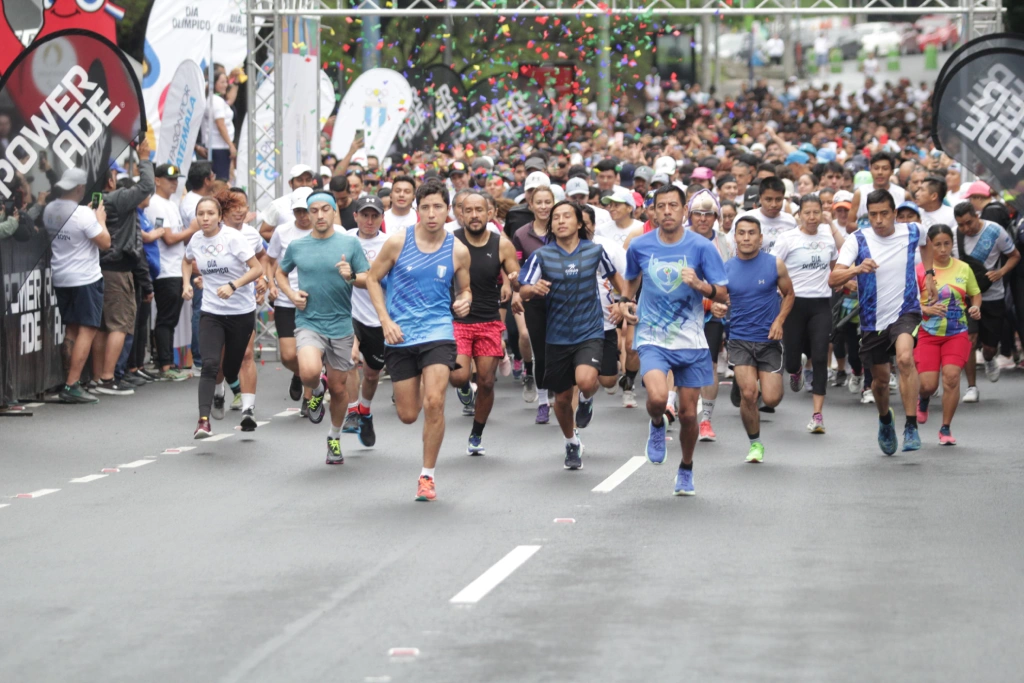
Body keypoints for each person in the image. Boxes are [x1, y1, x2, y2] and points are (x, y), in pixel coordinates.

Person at [617, 185, 730, 496]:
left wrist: (700, 285)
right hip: (653, 335)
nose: (666, 211)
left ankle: (686, 467)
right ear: (653, 211)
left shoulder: (703, 247)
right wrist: (626, 300)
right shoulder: (639, 246)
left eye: (673, 206)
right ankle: (656, 424)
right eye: (660, 206)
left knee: (689, 414)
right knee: (656, 399)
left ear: (684, 212)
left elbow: (722, 292)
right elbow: (631, 278)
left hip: (691, 340)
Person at [365, 180, 472, 502]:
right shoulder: (398, 242)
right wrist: (385, 320)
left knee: (435, 402)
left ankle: (427, 476)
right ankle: (423, 387)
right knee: (409, 414)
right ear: (417, 210)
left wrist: (465, 299)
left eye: (438, 206)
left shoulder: (457, 250)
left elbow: (465, 289)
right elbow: (371, 278)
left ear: (447, 210)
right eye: (425, 207)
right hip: (400, 336)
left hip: (438, 332)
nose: (431, 213)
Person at [520, 200, 631, 471]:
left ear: (579, 223)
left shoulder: (594, 251)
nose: (560, 221)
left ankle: (585, 398)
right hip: (556, 335)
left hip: (589, 330)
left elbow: (617, 280)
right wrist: (533, 290)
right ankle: (571, 441)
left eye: (567, 216)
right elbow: (522, 290)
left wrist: (621, 301)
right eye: (556, 218)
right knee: (560, 399)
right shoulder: (542, 256)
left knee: (586, 380)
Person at [829, 189, 936, 455]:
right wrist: (857, 268)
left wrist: (930, 274)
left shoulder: (912, 230)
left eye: (884, 214)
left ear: (894, 214)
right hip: (872, 318)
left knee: (903, 358)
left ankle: (911, 426)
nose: (878, 220)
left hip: (906, 310)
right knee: (879, 380)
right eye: (873, 214)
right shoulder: (858, 239)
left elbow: (927, 243)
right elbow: (834, 278)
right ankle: (885, 419)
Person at [277, 191, 370, 464]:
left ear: (333, 212)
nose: (318, 215)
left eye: (324, 209)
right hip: (309, 321)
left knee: (340, 390)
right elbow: (280, 273)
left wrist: (351, 276)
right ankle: (316, 390)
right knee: (307, 372)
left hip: (341, 324)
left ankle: (334, 437)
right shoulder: (297, 246)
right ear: (307, 214)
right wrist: (292, 295)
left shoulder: (349, 243)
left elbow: (368, 277)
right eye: (313, 210)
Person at [182, 196, 263, 438]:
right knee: (209, 364)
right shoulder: (195, 240)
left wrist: (233, 285)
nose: (205, 218)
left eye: (210, 213)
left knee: (231, 368)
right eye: (201, 214)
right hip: (212, 311)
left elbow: (257, 268)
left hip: (240, 312)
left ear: (219, 216)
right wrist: (186, 283)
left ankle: (225, 390)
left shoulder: (233, 238)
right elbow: (187, 261)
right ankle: (203, 421)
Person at [450, 192, 522, 454]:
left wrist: (514, 285)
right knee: (458, 377)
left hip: (489, 321)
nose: (474, 215)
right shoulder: (451, 242)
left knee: (487, 381)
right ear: (461, 214)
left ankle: (477, 433)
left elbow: (515, 277)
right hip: (457, 320)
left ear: (490, 213)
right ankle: (465, 392)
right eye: (468, 211)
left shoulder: (501, 244)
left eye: (479, 210)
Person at [725, 215, 795, 463]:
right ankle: (755, 444)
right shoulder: (727, 268)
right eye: (741, 233)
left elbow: (789, 295)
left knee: (772, 398)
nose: (746, 238)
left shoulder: (774, 264)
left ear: (760, 238)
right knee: (749, 394)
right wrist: (717, 307)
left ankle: (761, 380)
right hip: (740, 339)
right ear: (735, 237)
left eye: (751, 233)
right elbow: (719, 298)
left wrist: (779, 321)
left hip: (768, 340)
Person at [771, 194, 840, 433]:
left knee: (820, 357)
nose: (812, 217)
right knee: (790, 361)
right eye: (807, 213)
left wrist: (844, 282)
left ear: (822, 214)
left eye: (816, 213)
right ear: (799, 214)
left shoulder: (827, 237)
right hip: (793, 304)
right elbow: (773, 269)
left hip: (821, 304)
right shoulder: (788, 238)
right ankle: (796, 369)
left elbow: (834, 269)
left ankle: (817, 415)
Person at [44, 169, 111, 403]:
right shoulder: (83, 213)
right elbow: (105, 242)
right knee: (88, 329)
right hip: (85, 278)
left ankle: (70, 382)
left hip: (61, 275)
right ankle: (72, 384)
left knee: (72, 329)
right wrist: (100, 219)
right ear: (81, 188)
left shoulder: (50, 208)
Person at [93, 140, 154, 396]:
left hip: (100, 268)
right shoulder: (117, 199)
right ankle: (107, 379)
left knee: (102, 327)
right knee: (120, 325)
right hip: (118, 270)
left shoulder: (95, 200)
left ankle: (97, 377)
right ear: (109, 179)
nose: (117, 178)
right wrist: (144, 157)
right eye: (116, 174)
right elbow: (147, 186)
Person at [914, 224, 981, 446]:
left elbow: (975, 294)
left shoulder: (963, 268)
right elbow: (909, 301)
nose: (943, 249)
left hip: (957, 332)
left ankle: (945, 428)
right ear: (929, 245)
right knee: (928, 385)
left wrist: (975, 308)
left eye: (947, 244)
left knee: (951, 378)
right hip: (928, 334)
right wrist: (926, 309)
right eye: (938, 244)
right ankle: (923, 399)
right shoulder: (919, 270)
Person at [954, 202, 1020, 400]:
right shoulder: (954, 235)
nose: (965, 229)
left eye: (969, 223)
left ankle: (990, 358)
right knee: (969, 340)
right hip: (965, 297)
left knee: (990, 347)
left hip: (992, 296)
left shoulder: (995, 231)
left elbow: (1014, 256)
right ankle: (971, 387)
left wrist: (1001, 272)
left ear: (976, 215)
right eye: (961, 225)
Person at [684, 189, 732, 442]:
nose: (702, 219)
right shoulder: (676, 238)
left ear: (716, 217)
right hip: (679, 310)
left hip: (714, 314)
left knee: (710, 363)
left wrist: (723, 302)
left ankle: (706, 421)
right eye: (697, 214)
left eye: (708, 214)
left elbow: (729, 278)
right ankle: (672, 406)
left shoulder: (725, 242)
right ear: (689, 215)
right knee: (677, 359)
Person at [343, 195, 390, 445]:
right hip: (349, 313)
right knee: (349, 360)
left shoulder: (391, 243)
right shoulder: (345, 240)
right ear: (356, 216)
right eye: (364, 215)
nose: (369, 221)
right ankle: (352, 411)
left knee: (372, 374)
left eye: (374, 216)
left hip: (378, 317)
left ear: (382, 218)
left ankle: (365, 411)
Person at [266, 187, 315, 413]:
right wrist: (270, 284)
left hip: (316, 301)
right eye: (298, 212)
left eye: (306, 211)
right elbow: (269, 260)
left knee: (308, 353)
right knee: (287, 356)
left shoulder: (326, 231)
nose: (303, 217)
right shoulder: (283, 231)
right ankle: (298, 373)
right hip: (287, 300)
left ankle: (309, 397)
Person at [146, 164, 196, 381]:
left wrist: (190, 232)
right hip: (166, 269)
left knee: (171, 318)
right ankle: (165, 364)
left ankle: (167, 361)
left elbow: (178, 236)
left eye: (176, 179)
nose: (174, 182)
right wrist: (193, 229)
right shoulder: (156, 204)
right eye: (169, 179)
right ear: (157, 180)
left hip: (176, 267)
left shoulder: (171, 204)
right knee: (166, 319)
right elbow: (167, 238)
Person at [513, 185, 556, 422]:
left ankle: (562, 395)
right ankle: (542, 401)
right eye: (538, 202)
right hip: (535, 302)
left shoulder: (562, 229)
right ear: (531, 205)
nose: (543, 207)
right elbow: (518, 271)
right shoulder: (521, 235)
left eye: (547, 202)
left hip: (563, 300)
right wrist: (519, 289)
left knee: (560, 351)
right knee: (540, 351)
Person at [258, 165, 317, 240]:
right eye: (299, 180)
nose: (304, 184)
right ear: (290, 183)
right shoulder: (278, 205)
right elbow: (264, 232)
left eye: (308, 180)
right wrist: (285, 240)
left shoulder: (320, 202)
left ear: (312, 183)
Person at [740, 177, 797, 254]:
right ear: (760, 198)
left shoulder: (790, 221)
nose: (774, 204)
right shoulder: (745, 220)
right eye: (768, 200)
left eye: (778, 200)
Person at [851, 152, 905, 220]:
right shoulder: (860, 193)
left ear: (892, 172)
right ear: (870, 170)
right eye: (876, 168)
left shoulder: (902, 194)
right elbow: (850, 224)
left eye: (885, 169)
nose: (880, 172)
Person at [204, 71, 236, 181]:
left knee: (223, 179)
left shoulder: (217, 99)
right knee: (220, 181)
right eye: (222, 82)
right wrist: (230, 145)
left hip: (220, 147)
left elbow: (230, 99)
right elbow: (220, 124)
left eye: (226, 82)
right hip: (219, 147)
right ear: (214, 84)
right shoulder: (216, 101)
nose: (225, 85)